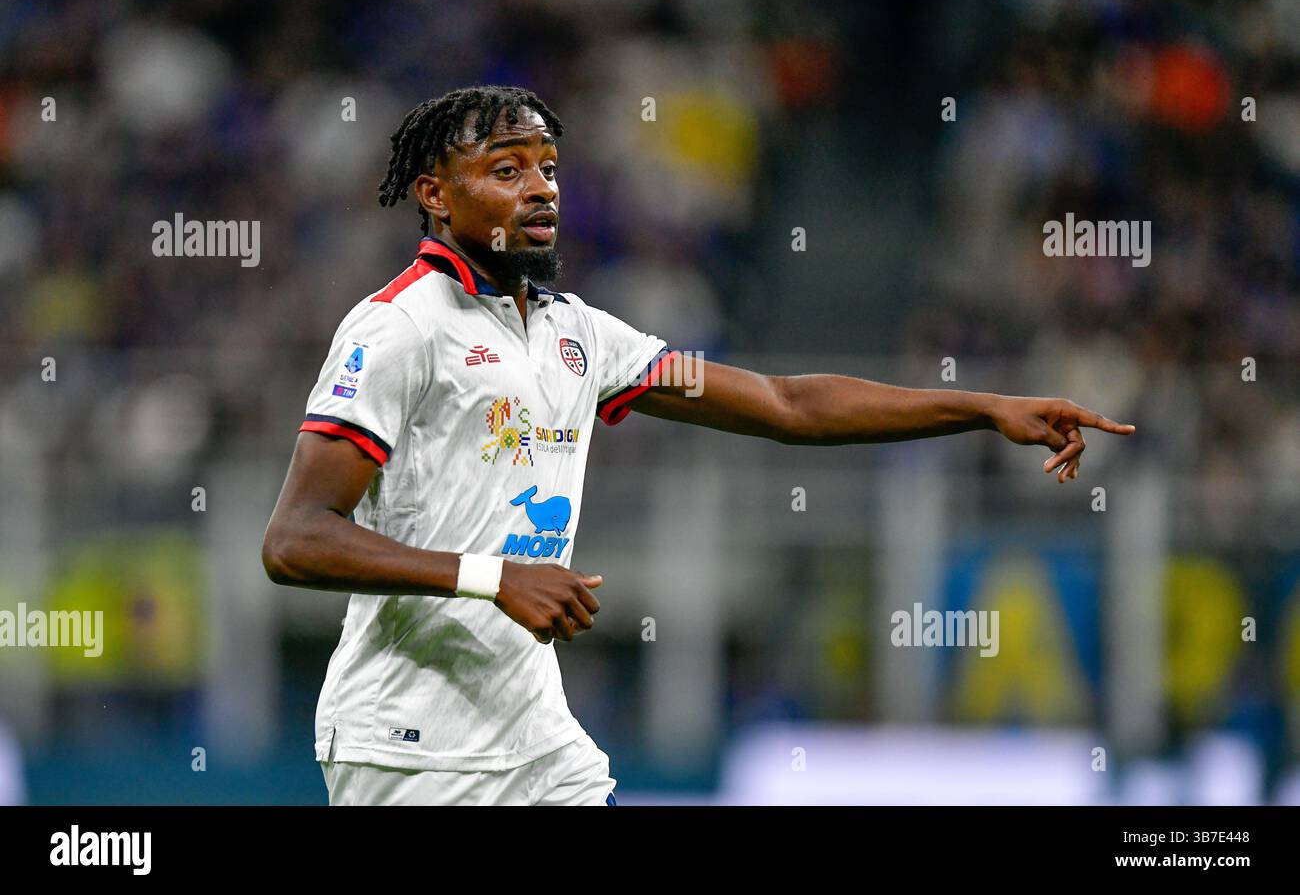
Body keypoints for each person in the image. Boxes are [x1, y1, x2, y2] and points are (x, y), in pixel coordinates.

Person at [261, 84, 1135, 806]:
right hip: (410, 750)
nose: (541, 190)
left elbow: (787, 405)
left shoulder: (580, 337)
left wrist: (982, 407)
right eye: (506, 169)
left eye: (548, 169)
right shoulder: (398, 331)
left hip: (535, 739)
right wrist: (496, 579)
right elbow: (295, 540)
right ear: (436, 195)